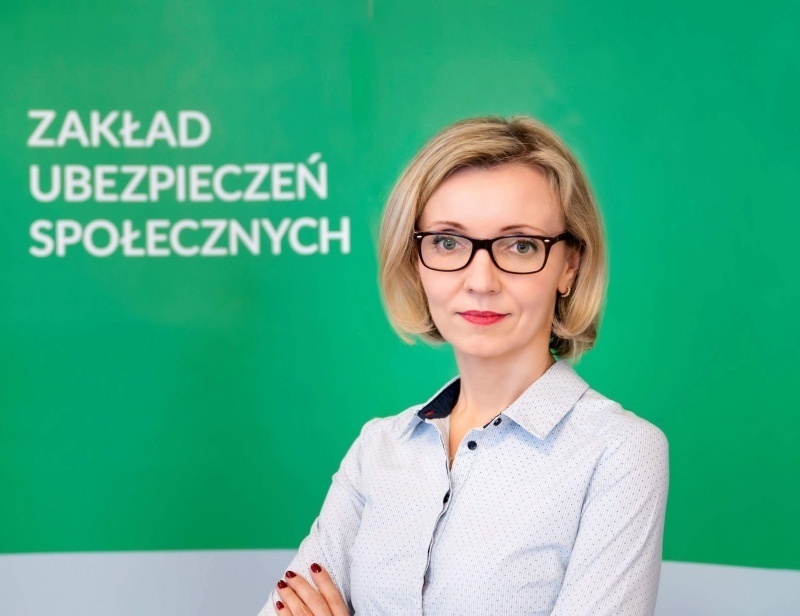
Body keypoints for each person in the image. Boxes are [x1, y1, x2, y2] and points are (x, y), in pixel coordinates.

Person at [257, 115, 669, 616]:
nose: (480, 280)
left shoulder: (620, 452)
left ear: (569, 265)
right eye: (448, 242)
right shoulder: (378, 448)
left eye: (521, 245)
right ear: (415, 260)